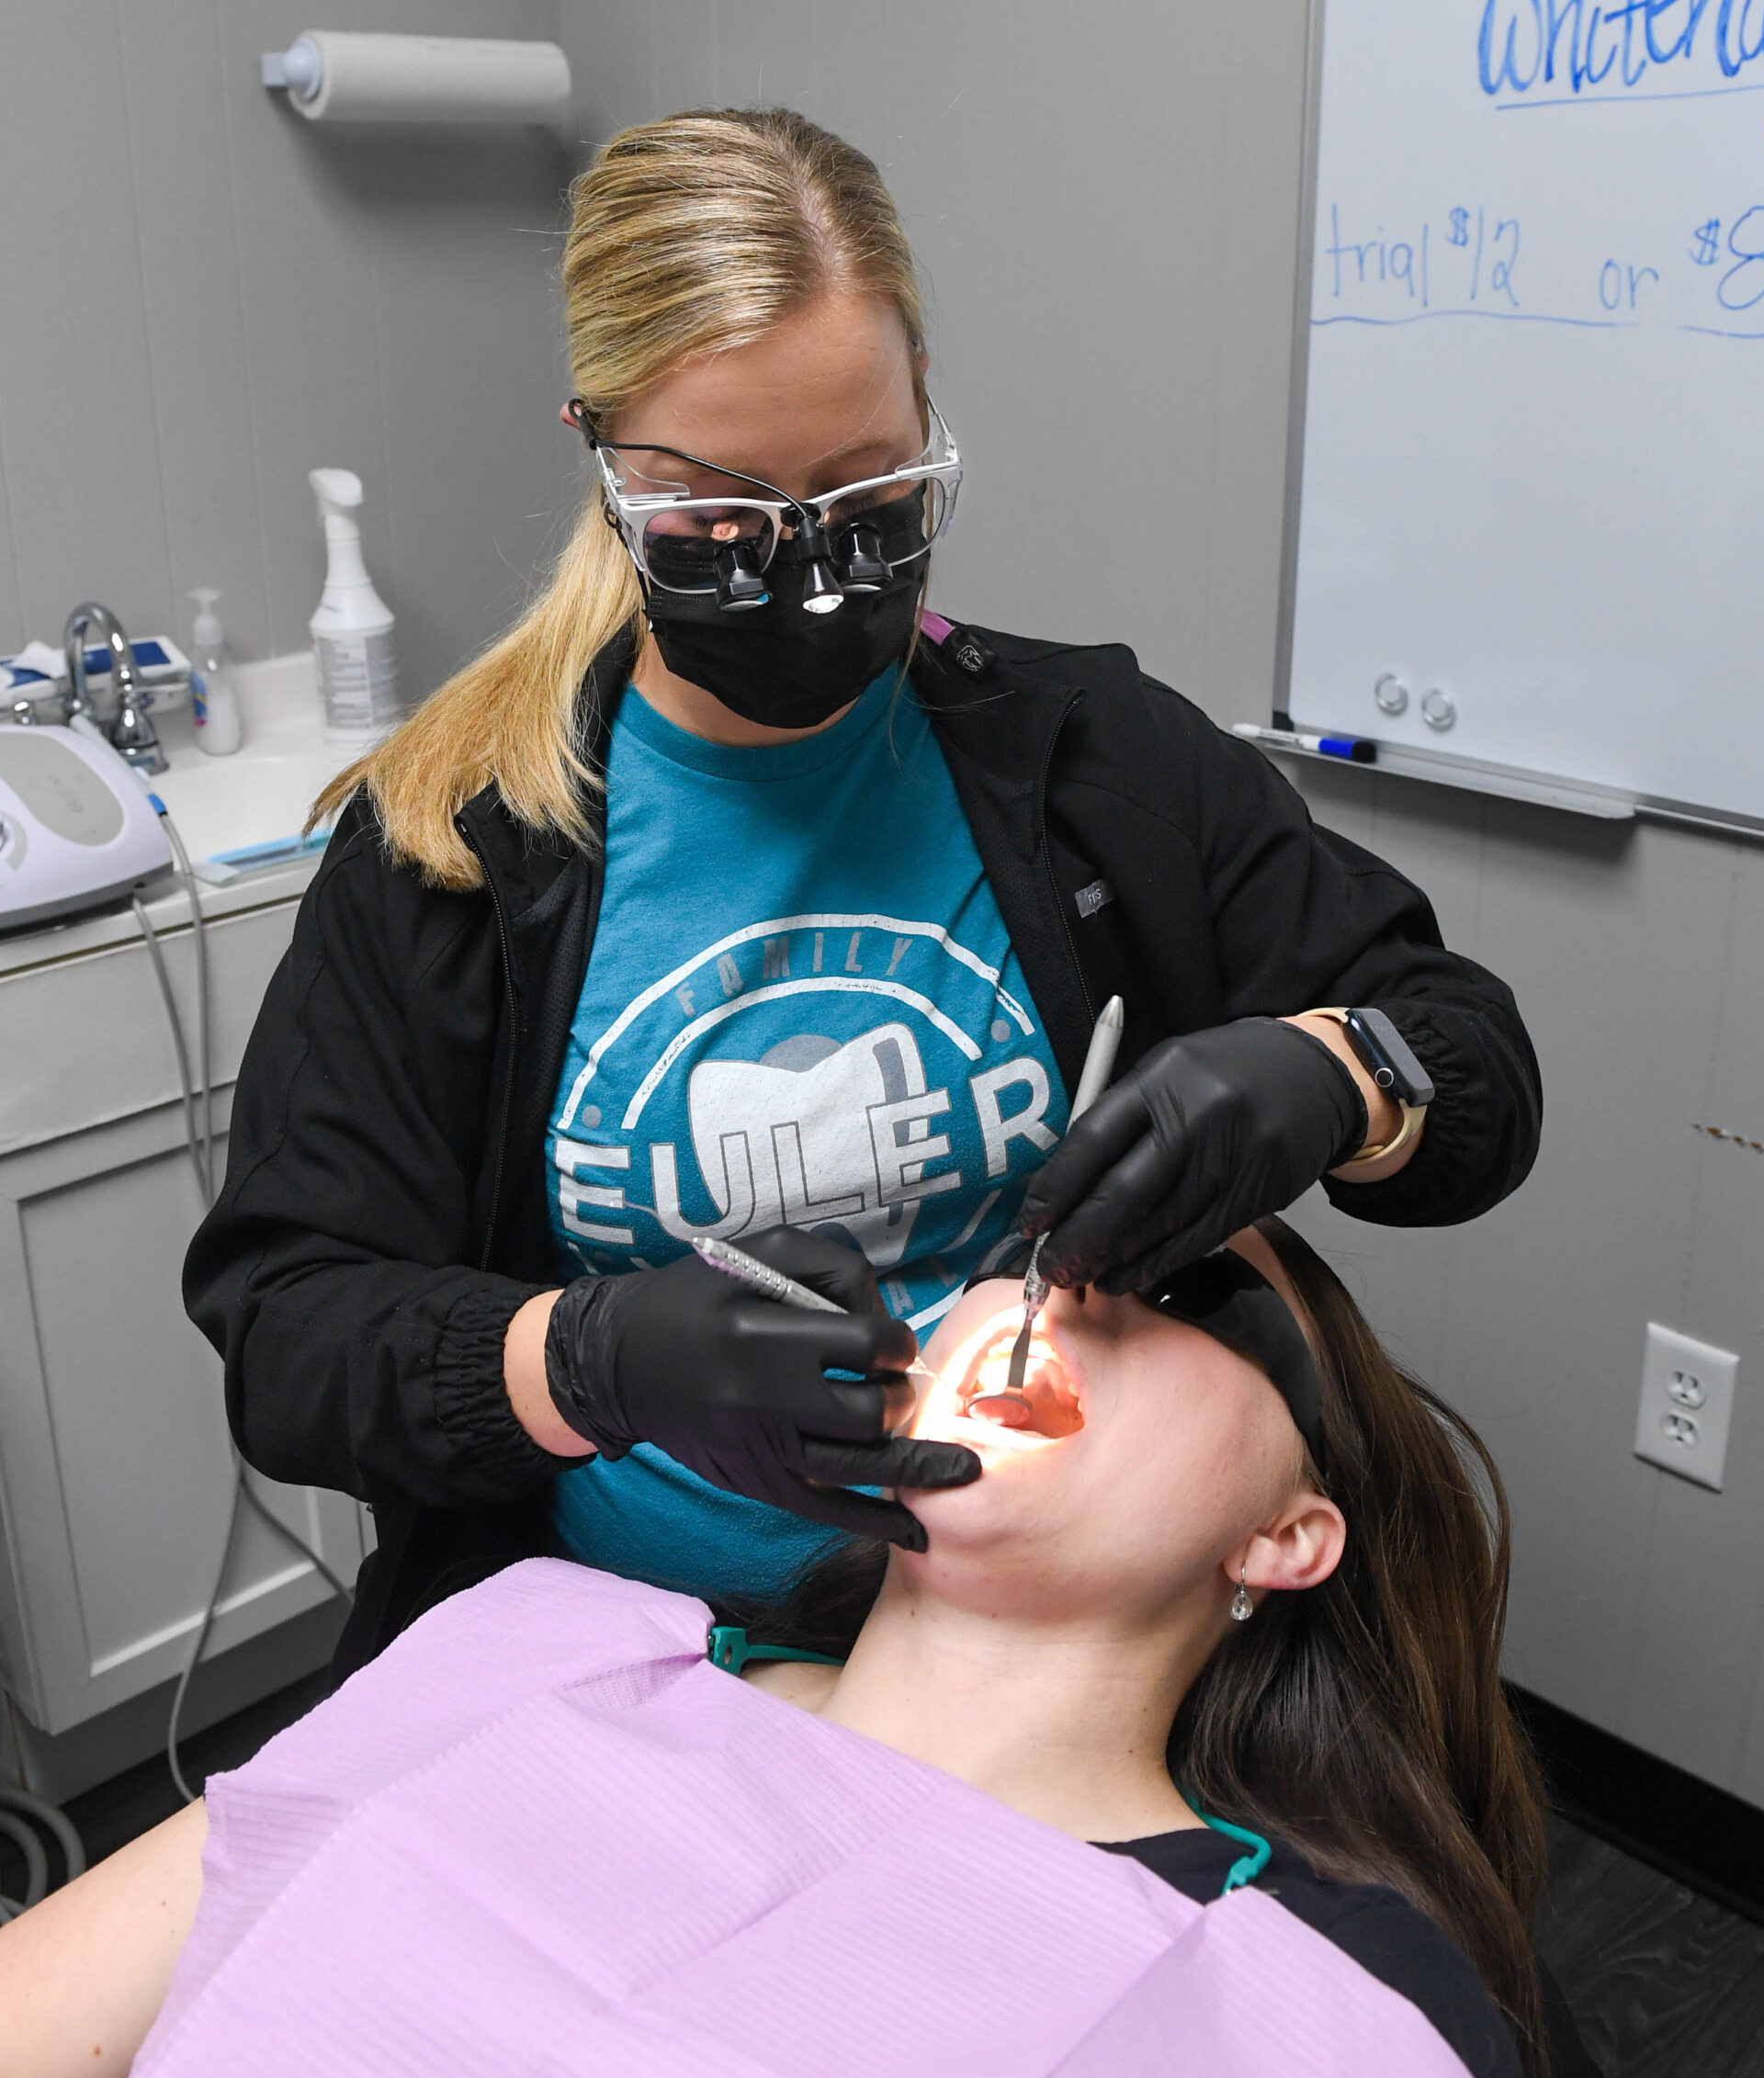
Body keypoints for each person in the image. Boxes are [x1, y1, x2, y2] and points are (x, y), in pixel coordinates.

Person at [184, 104, 1543, 1674]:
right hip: (631, 1659)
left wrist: (1339, 1074)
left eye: (869, 501)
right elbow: (287, 1338)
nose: (816, 580)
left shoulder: (1098, 762)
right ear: (603, 465)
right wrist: (592, 1358)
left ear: (924, 423)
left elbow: (1473, 1066)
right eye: (729, 519)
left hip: (1047, 1641)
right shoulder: (450, 848)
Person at [0, 1223, 1588, 2078]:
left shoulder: (1323, 2004)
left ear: (1290, 1537)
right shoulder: (531, 1650)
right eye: (1041, 1248)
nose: (1070, 1296)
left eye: (1183, 1292)